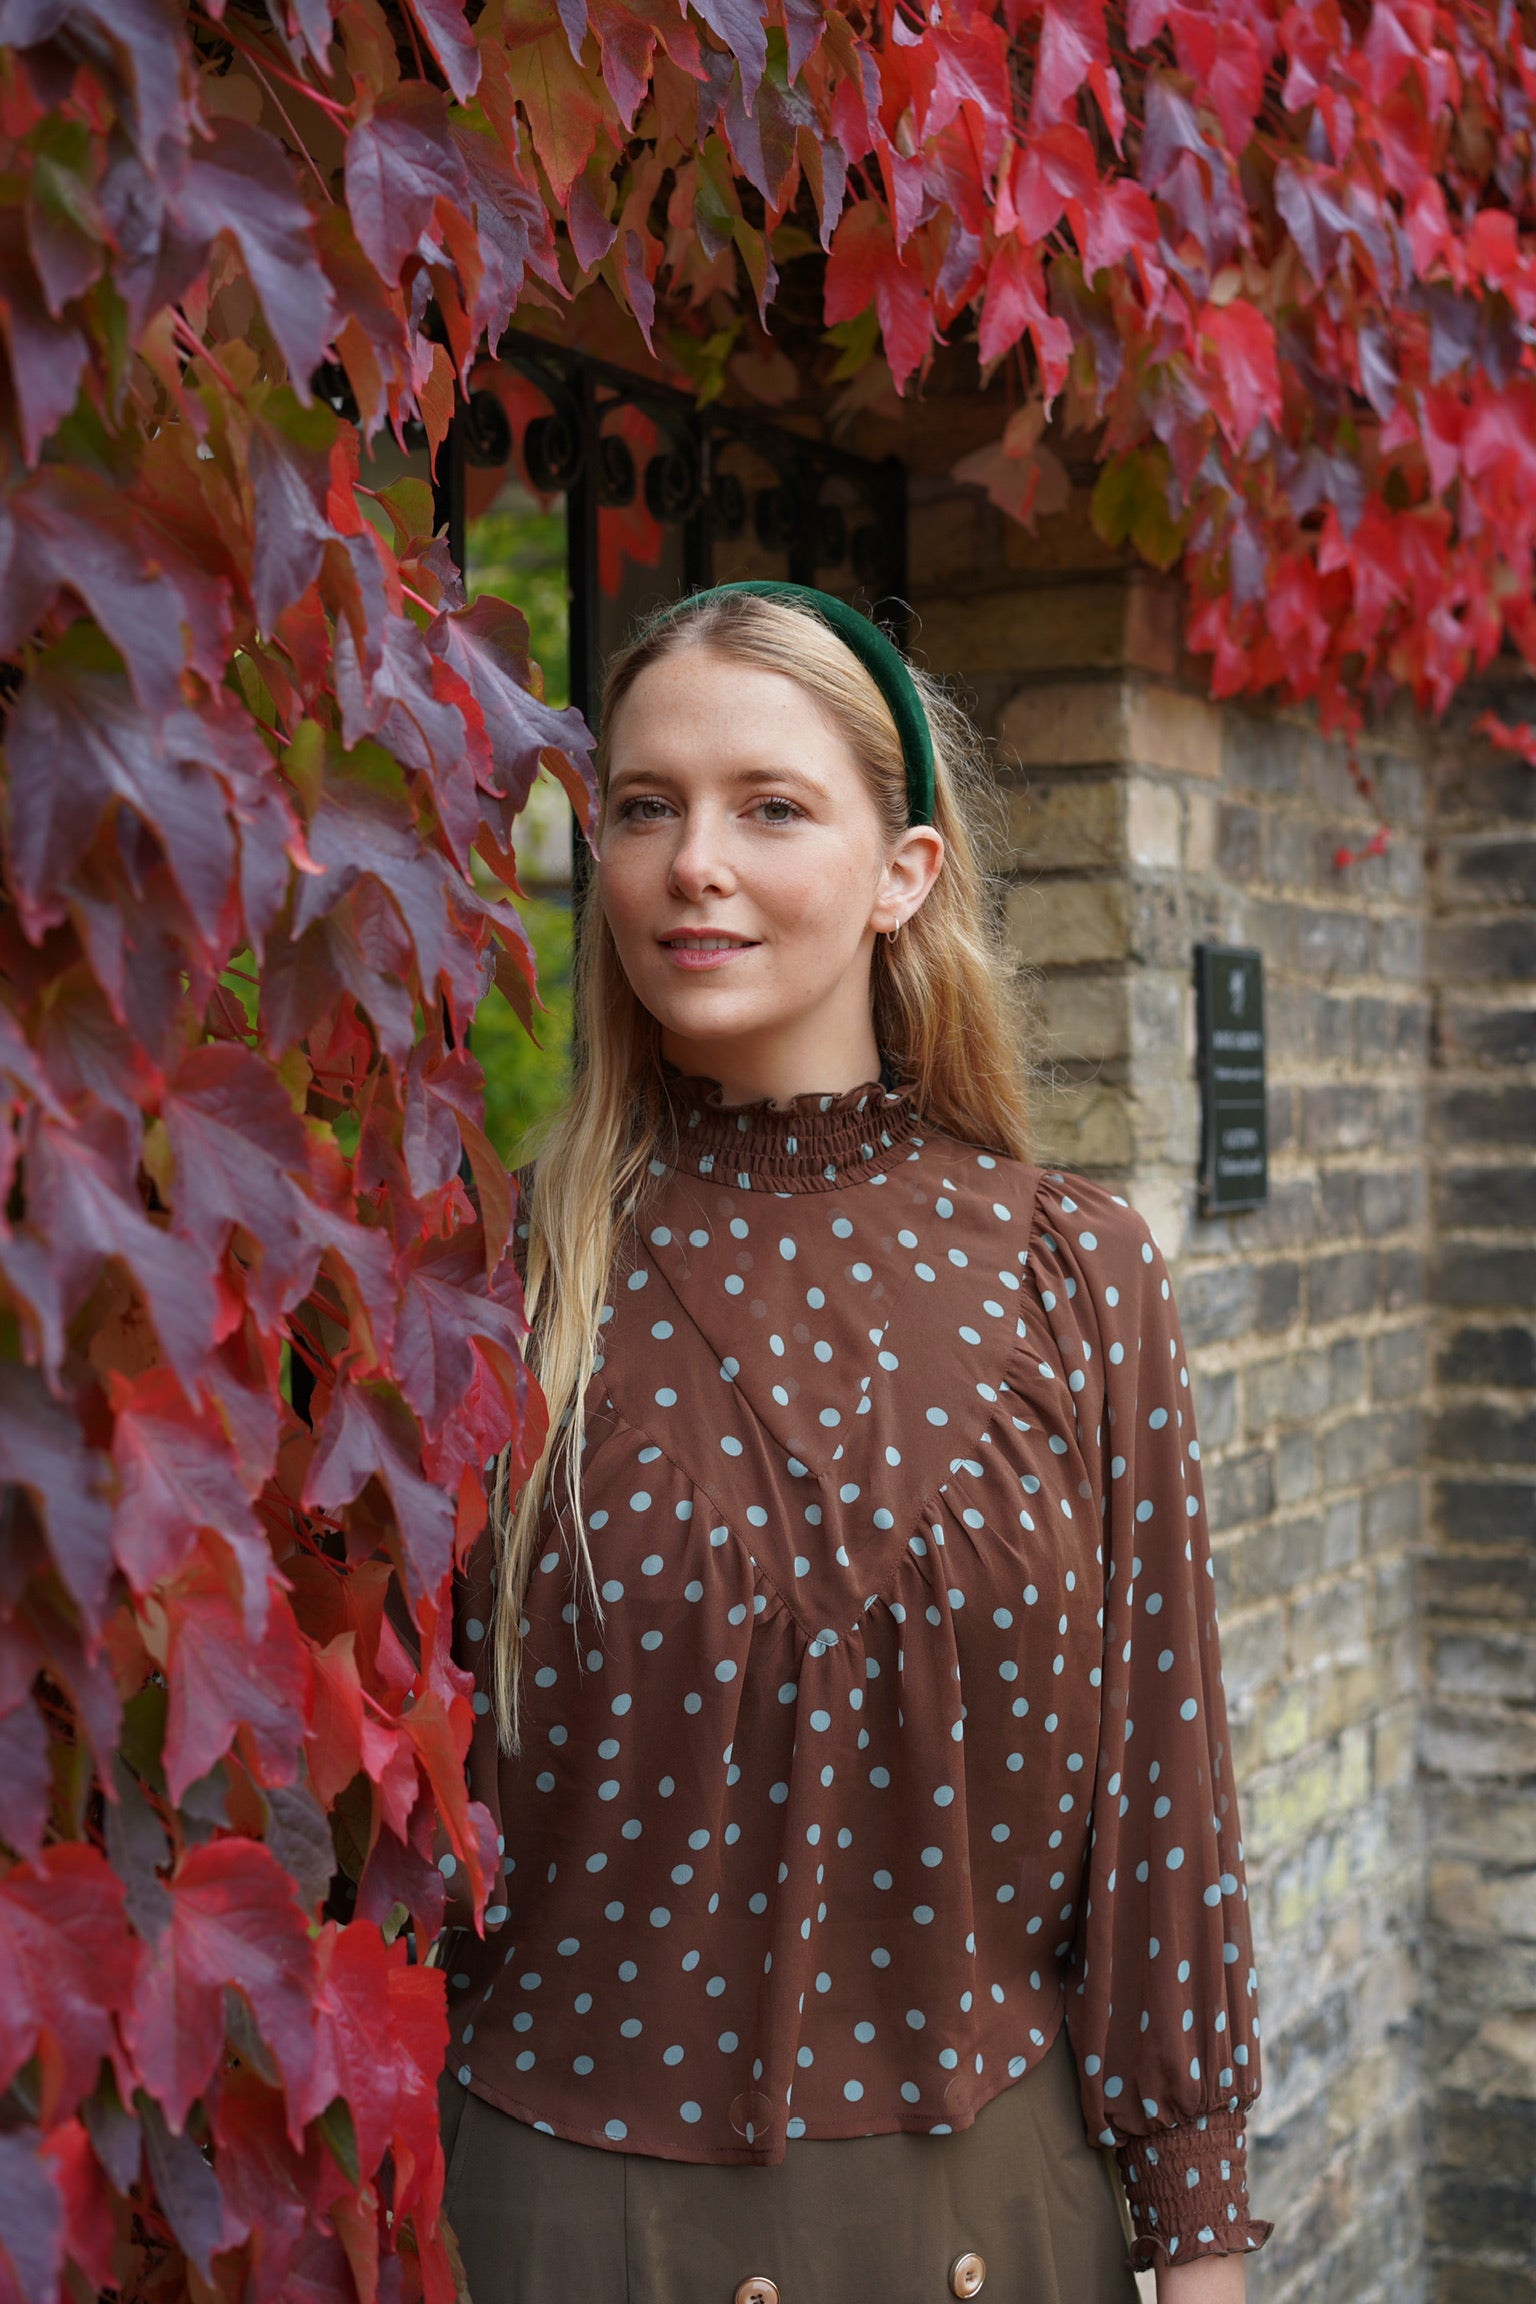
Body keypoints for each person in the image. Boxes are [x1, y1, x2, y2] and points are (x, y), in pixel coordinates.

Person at [436, 583, 1271, 2303]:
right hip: (561, 2234)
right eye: (646, 808)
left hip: (999, 2230)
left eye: (771, 806)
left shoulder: (1075, 1275)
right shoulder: (497, 1281)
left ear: (904, 873)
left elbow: (1164, 1809)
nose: (693, 864)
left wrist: (1200, 2247)